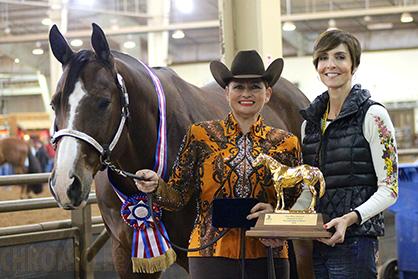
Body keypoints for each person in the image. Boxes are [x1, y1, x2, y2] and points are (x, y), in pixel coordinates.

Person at [134, 50, 302, 279]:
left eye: (255, 87)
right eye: (239, 87)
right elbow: (178, 197)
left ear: (268, 93)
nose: (247, 94)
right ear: (227, 92)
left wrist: (276, 217)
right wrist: (157, 187)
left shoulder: (286, 143)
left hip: (268, 253)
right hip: (210, 256)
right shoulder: (200, 136)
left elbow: (297, 204)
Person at [299, 29, 398, 278]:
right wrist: (279, 222)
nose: (330, 65)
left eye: (340, 57)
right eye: (323, 58)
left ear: (353, 65)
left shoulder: (374, 116)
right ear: (317, 66)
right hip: (318, 241)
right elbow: (308, 191)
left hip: (356, 243)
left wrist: (350, 218)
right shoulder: (309, 124)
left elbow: (390, 189)